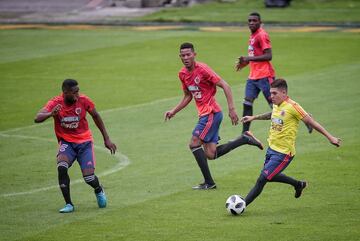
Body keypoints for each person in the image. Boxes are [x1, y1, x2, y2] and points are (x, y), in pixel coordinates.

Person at [164, 42, 264, 190]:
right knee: (211, 154)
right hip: (206, 115)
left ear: (194, 55)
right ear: (180, 56)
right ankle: (244, 139)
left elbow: (225, 85)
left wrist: (232, 109)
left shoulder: (203, 69)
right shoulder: (183, 74)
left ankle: (209, 183)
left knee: (194, 143)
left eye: (188, 54)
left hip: (211, 113)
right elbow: (187, 96)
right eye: (183, 55)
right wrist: (174, 110)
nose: (185, 57)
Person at [240, 78, 341, 208]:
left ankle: (242, 205)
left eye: (274, 93)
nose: (271, 96)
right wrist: (254, 117)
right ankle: (298, 184)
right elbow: (272, 114)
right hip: (272, 149)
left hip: (283, 153)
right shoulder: (278, 104)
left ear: (284, 92)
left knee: (262, 178)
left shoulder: (293, 107)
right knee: (271, 175)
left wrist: (330, 137)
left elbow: (312, 122)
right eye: (270, 93)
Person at [34, 79, 117, 213]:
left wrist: (106, 139)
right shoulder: (55, 103)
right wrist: (51, 114)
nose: (77, 94)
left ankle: (98, 189)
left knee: (89, 178)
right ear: (65, 93)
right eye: (74, 92)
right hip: (67, 143)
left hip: (84, 142)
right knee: (61, 167)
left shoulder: (84, 101)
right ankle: (69, 204)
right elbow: (37, 117)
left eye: (78, 91)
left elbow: (96, 116)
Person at [236, 12, 313, 134]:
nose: (251, 23)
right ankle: (245, 134)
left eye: (254, 21)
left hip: (265, 76)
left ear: (260, 23)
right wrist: (245, 62)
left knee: (278, 105)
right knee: (247, 102)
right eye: (249, 21)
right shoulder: (253, 35)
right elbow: (255, 55)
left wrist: (248, 59)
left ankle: (306, 118)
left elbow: (268, 55)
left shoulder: (262, 35)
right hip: (253, 76)